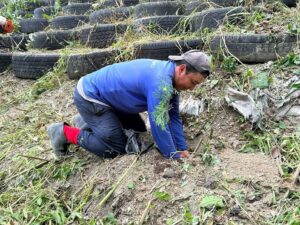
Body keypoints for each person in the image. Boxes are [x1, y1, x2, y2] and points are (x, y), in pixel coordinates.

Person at [47, 50, 211, 159]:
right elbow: (159, 123)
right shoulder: (161, 83)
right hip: (91, 96)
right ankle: (63, 132)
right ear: (182, 69)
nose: (191, 88)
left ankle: (87, 121)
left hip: (112, 99)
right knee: (115, 148)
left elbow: (173, 115)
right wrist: (172, 155)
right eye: (192, 82)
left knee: (139, 131)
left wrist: (182, 147)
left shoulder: (170, 78)